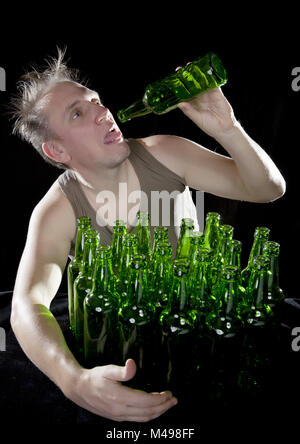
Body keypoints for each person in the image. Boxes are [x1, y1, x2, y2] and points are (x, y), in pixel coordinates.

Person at [9, 48, 285, 423]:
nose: (102, 112)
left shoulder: (165, 152)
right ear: (56, 150)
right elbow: (26, 304)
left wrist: (227, 128)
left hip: (196, 331)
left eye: (96, 101)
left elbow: (268, 189)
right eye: (78, 113)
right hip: (131, 351)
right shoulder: (57, 209)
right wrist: (72, 380)